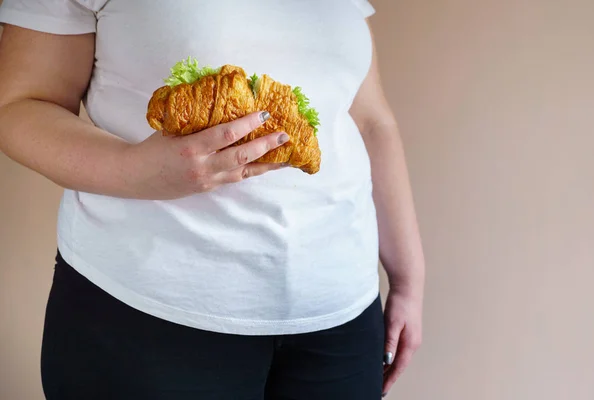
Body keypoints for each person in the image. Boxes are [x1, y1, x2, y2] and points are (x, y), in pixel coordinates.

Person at [0, 0, 425, 399]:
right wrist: (135, 168)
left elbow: (370, 121)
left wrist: (408, 278)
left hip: (340, 316)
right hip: (147, 315)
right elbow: (20, 104)